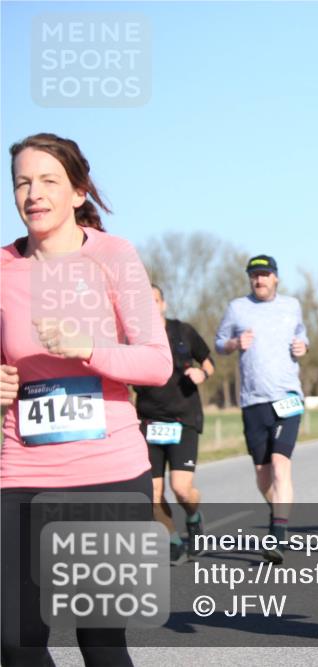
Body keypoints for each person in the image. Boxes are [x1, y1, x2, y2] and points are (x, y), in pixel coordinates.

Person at [1, 133, 172, 666]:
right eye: (23, 182)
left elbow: (156, 363)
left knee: (99, 639)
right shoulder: (2, 267)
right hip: (20, 471)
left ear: (78, 192)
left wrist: (89, 348)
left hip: (108, 470)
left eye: (49, 181)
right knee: (14, 640)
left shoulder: (114, 257)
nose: (34, 193)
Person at [215, 254, 308, 564]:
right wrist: (234, 344)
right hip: (252, 400)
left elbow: (302, 336)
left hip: (287, 397)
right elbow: (219, 342)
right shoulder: (236, 308)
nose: (260, 280)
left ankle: (277, 537)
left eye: (265, 274)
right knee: (262, 477)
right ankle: (278, 515)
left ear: (276, 278)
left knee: (282, 465)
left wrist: (302, 347)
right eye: (255, 275)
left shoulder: (291, 305)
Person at [135, 285, 215, 561]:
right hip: (148, 422)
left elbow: (209, 362)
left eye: (155, 300)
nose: (151, 306)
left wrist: (202, 373)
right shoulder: (133, 338)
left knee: (181, 488)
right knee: (152, 493)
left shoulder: (184, 332)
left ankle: (193, 517)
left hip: (184, 420)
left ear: (163, 304)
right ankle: (172, 540)